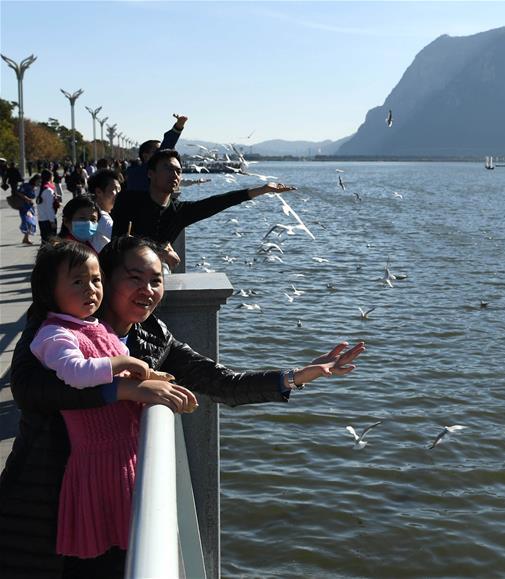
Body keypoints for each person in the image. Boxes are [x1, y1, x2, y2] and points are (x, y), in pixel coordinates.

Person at [0, 235, 366, 578]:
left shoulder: (154, 336)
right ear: (106, 279)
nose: (148, 290)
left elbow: (223, 382)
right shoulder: (51, 330)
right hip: (42, 494)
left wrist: (296, 376)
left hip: (111, 496)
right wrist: (125, 389)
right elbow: (33, 391)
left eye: (156, 280)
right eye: (135, 278)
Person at [26, 240, 173, 568]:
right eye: (77, 281)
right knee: (102, 558)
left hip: (120, 459)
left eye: (95, 280)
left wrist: (150, 375)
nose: (90, 289)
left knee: (130, 547)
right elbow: (76, 374)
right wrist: (121, 365)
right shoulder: (54, 334)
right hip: (97, 468)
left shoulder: (93, 326)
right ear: (50, 290)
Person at [111, 149, 295, 269]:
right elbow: (118, 242)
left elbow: (219, 202)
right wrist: (160, 251)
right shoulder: (129, 200)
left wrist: (262, 190)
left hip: (154, 281)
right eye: (167, 168)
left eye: (178, 170)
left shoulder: (178, 212)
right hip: (123, 276)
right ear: (151, 173)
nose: (174, 174)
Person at [124, 114, 187, 192]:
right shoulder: (143, 172)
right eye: (157, 151)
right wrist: (177, 127)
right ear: (145, 155)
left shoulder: (132, 172)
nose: (162, 154)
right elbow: (167, 145)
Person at [86, 169, 120, 252]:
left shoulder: (89, 210)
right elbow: (123, 240)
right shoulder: (100, 216)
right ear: (98, 192)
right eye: (115, 189)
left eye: (119, 190)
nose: (119, 194)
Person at [36, 170, 60, 243]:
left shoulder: (39, 189)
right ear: (50, 178)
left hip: (41, 219)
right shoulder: (49, 190)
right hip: (48, 220)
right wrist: (52, 221)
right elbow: (50, 208)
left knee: (44, 242)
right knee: (52, 242)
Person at [15, 175, 40, 245]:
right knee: (28, 221)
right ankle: (26, 238)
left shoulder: (35, 187)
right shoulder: (26, 185)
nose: (40, 182)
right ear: (35, 180)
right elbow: (18, 192)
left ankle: (26, 238)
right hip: (24, 207)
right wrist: (27, 199)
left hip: (30, 207)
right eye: (39, 181)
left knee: (30, 222)